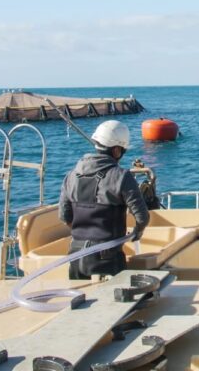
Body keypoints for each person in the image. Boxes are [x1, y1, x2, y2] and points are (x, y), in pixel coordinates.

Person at [59, 120, 150, 280]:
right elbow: (142, 217)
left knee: (81, 301)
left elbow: (64, 217)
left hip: (75, 255)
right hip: (108, 257)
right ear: (116, 150)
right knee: (115, 302)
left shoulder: (71, 176)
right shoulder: (121, 176)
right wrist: (137, 232)